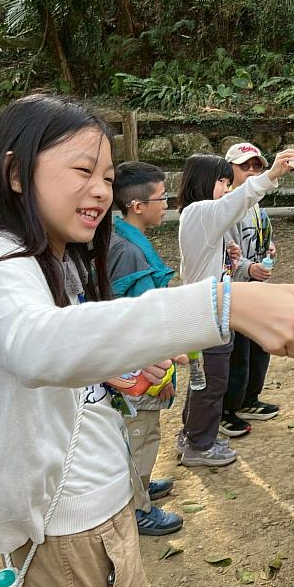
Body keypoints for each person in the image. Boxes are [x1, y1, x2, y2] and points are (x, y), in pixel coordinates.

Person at [0, 95, 294, 587]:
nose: (100, 191)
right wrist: (223, 303)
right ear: (16, 174)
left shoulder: (56, 259)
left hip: (99, 505)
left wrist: (112, 370)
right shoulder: (0, 262)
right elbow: (34, 344)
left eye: (106, 177)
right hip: (66, 527)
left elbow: (58, 348)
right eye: (82, 170)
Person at [176, 149, 294, 467]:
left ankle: (191, 434)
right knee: (213, 381)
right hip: (208, 314)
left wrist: (227, 258)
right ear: (205, 182)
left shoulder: (198, 216)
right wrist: (271, 174)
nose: (227, 189)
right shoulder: (201, 212)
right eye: (222, 181)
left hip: (208, 310)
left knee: (203, 380)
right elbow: (239, 201)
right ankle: (199, 446)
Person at [108, 160, 184, 536]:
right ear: (137, 206)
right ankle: (136, 507)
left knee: (143, 433)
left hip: (140, 363)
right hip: (138, 369)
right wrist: (157, 373)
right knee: (139, 433)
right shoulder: (128, 252)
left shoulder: (123, 239)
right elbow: (135, 323)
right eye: (161, 197)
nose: (166, 203)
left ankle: (140, 483)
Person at [220, 143, 278, 438]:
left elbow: (260, 240)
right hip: (235, 290)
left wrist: (267, 250)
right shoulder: (226, 207)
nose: (252, 171)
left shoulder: (256, 206)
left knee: (260, 345)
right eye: (245, 167)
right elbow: (225, 254)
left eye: (257, 166)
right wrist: (248, 268)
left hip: (256, 288)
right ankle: (226, 409)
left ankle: (249, 399)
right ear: (229, 170)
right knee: (236, 352)